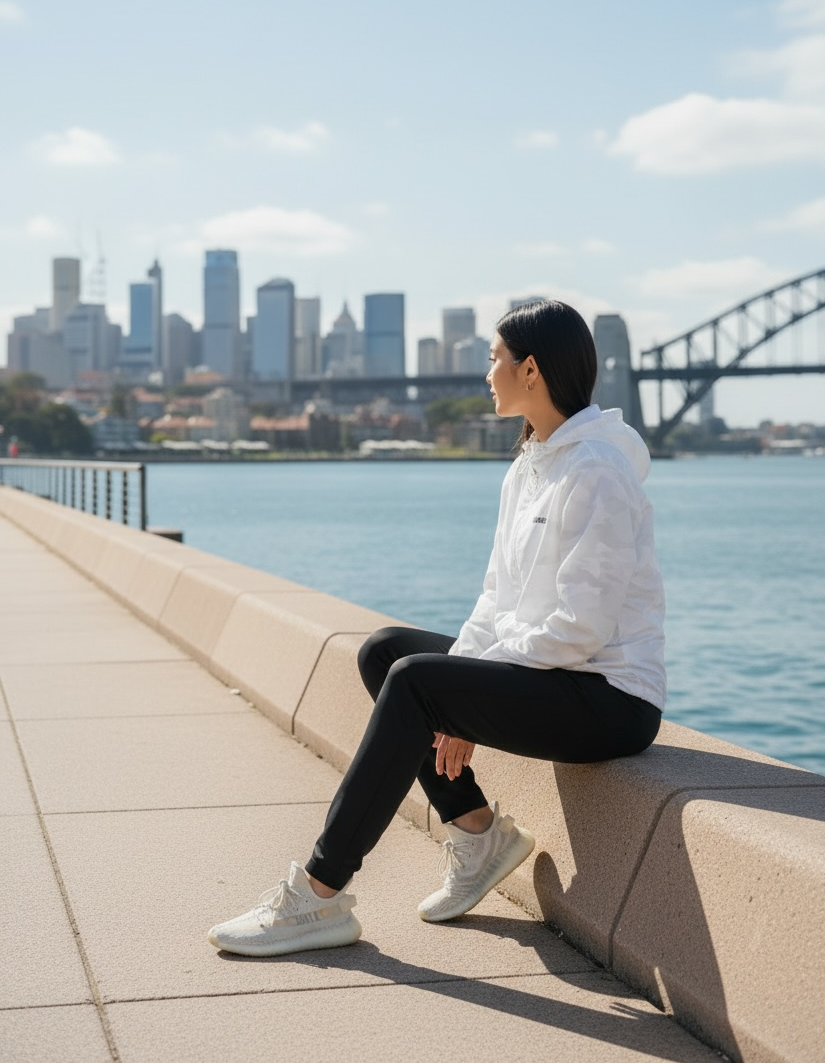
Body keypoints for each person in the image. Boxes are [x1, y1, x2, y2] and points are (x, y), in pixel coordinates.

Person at [208, 299, 666, 958]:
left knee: (419, 683)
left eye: (494, 360)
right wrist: (470, 685)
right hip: (555, 674)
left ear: (530, 370)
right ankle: (478, 835)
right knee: (386, 652)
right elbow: (494, 600)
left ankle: (319, 894)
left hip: (609, 701)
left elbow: (580, 630)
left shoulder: (597, 473)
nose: (487, 374)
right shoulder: (531, 465)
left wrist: (462, 705)